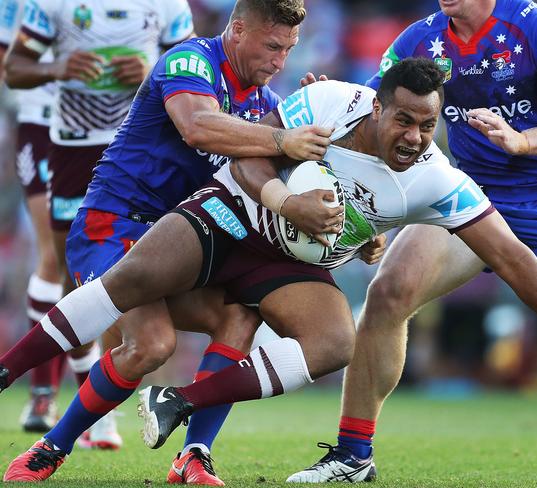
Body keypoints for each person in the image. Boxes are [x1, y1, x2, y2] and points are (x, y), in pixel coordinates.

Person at [5, 57, 537, 484]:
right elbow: (253, 156)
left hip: (289, 264)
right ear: (375, 109)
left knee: (335, 341)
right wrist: (286, 199)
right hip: (233, 216)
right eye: (404, 120)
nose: (416, 136)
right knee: (128, 290)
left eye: (428, 125)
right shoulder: (331, 103)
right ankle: (19, 389)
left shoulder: (439, 183)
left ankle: (180, 411)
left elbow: (513, 256)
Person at [286, 0, 537, 482]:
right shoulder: (418, 41)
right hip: (468, 196)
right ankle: (354, 454)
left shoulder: (536, 27)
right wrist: (331, 107)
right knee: (388, 294)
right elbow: (373, 116)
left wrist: (525, 141)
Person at [1, 0, 338, 483]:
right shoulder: (190, 60)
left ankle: (193, 455)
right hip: (114, 223)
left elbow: (281, 166)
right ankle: (51, 446)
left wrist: (315, 120)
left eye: (288, 50)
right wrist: (284, 138)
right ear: (237, 30)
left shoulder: (265, 105)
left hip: (181, 240)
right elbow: (197, 126)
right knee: (152, 345)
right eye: (271, 46)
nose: (280, 61)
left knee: (239, 314)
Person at [3, 0, 196, 449]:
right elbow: (14, 69)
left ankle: (100, 413)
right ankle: (76, 400)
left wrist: (151, 69)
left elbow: (201, 74)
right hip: (73, 143)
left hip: (142, 149)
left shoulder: (169, 5)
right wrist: (59, 67)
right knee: (80, 277)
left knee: (130, 276)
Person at [0, 0, 103, 437]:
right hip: (42, 124)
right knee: (54, 259)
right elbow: (9, 62)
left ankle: (94, 401)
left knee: (90, 270)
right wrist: (59, 66)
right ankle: (46, 395)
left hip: (108, 129)